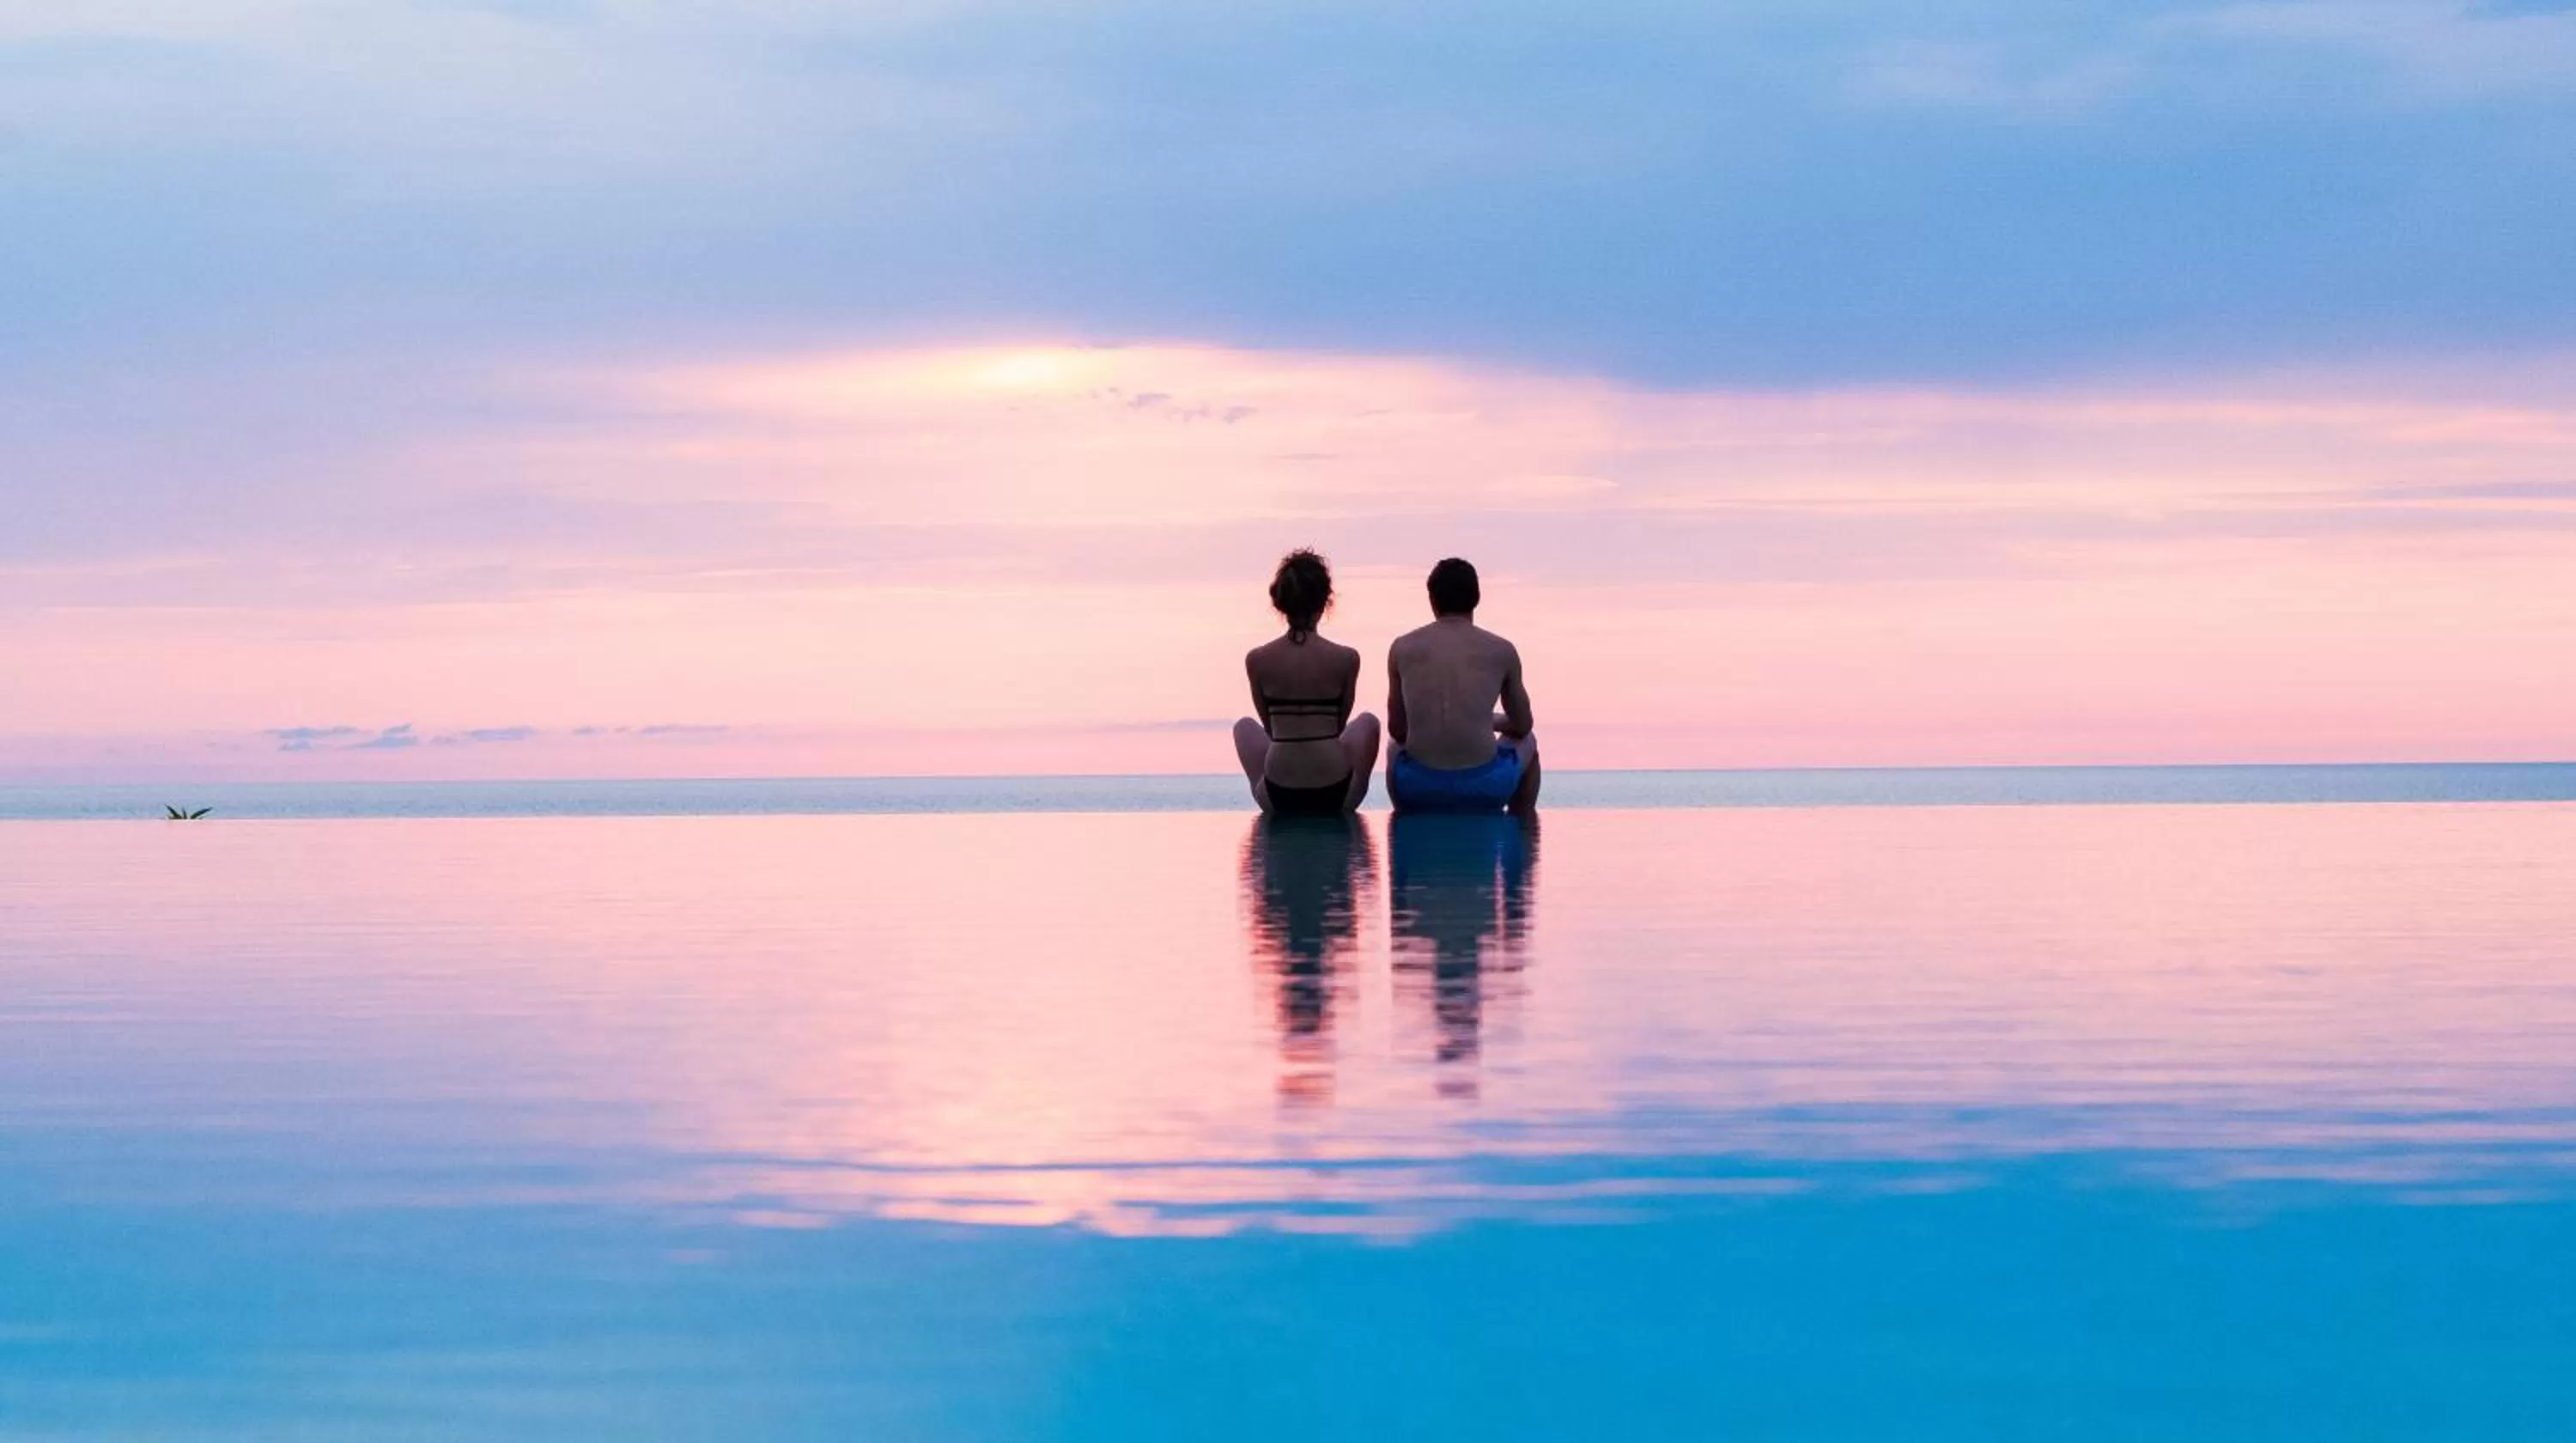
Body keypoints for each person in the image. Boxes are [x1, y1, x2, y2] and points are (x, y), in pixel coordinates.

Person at [1385, 557, 1540, 813]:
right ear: (1476, 598)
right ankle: (1522, 834)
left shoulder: (1402, 648)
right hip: (1485, 789)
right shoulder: (1502, 650)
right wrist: (1492, 720)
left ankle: (1406, 823)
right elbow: (1523, 725)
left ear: (1432, 600)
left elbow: (1398, 729)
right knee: (1529, 742)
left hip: (1418, 790)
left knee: (1393, 747)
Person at [1233, 550, 1382, 814]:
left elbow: (1269, 728)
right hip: (1335, 793)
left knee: (1244, 727)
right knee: (1368, 723)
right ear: (1325, 601)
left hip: (1279, 795)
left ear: (1280, 602)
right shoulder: (1347, 658)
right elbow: (1338, 727)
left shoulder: (1256, 660)